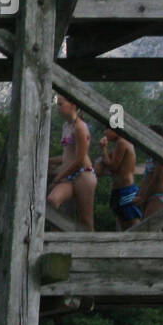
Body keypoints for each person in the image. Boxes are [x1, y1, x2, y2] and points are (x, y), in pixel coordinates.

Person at [47, 94, 98, 231]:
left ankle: (92, 251)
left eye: (61, 104)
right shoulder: (66, 126)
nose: (58, 108)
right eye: (57, 104)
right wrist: (48, 160)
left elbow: (80, 159)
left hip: (83, 174)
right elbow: (67, 155)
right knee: (52, 201)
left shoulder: (81, 127)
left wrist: (58, 178)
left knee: (86, 220)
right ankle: (56, 243)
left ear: (73, 106)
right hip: (69, 174)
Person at [94, 125, 143, 230]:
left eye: (108, 129)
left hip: (126, 190)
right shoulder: (119, 144)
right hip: (119, 190)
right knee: (123, 224)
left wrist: (103, 149)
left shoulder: (122, 143)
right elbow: (106, 160)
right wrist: (102, 159)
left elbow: (113, 167)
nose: (105, 132)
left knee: (133, 224)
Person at [133, 125, 163, 219]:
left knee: (148, 229)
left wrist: (143, 197)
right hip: (149, 198)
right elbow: (148, 177)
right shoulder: (152, 156)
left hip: (157, 197)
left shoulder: (160, 154)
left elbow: (157, 177)